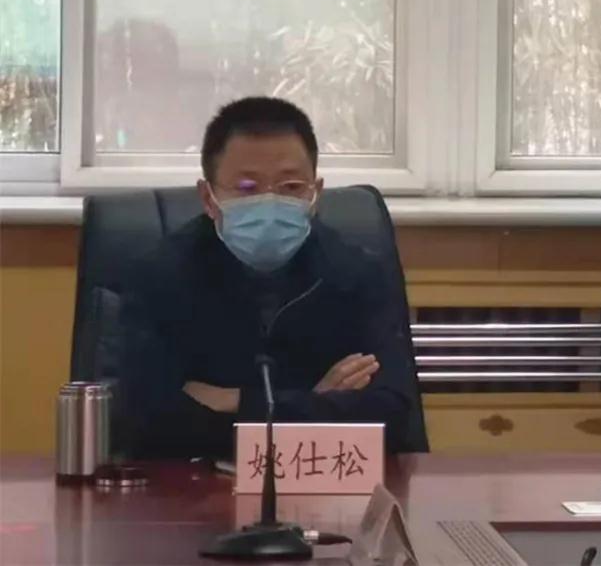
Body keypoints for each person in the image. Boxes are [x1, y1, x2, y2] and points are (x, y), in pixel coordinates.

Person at [120, 97, 417, 459]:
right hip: (199, 487)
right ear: (208, 198)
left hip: (329, 484)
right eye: (247, 188)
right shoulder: (160, 277)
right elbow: (146, 423)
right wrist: (314, 404)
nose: (269, 202)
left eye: (291, 187)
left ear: (315, 194)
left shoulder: (358, 273)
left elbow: (392, 418)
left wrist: (240, 402)